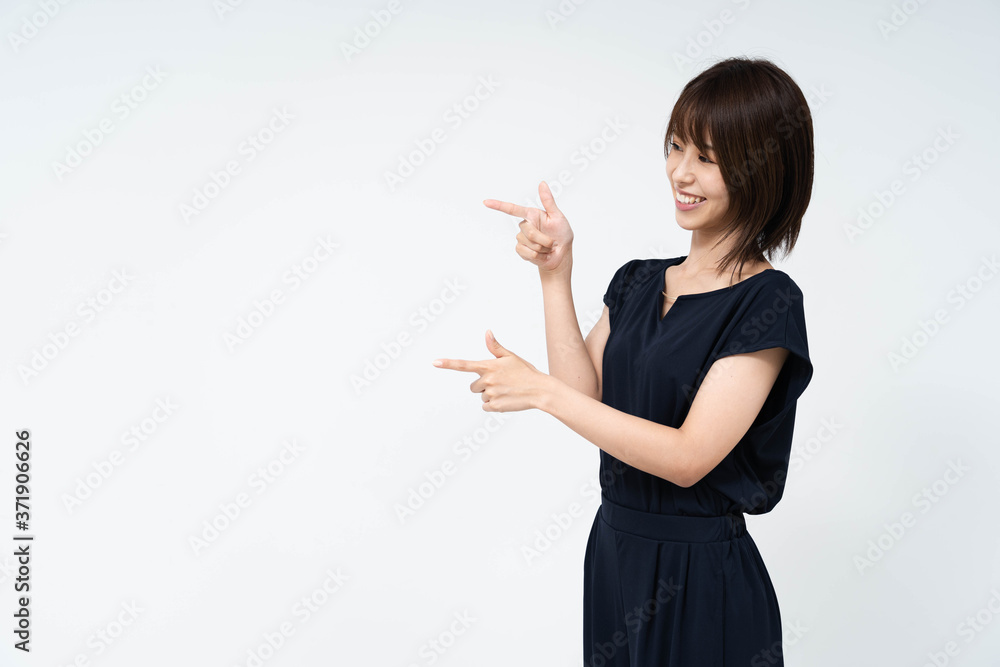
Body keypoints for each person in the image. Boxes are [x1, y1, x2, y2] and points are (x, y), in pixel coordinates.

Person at [432, 55, 815, 666]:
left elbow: (688, 459)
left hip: (700, 576)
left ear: (763, 170)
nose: (680, 172)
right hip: (615, 554)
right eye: (676, 146)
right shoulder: (638, 281)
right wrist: (555, 275)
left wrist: (541, 392)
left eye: (708, 158)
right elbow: (585, 397)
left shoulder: (767, 302)